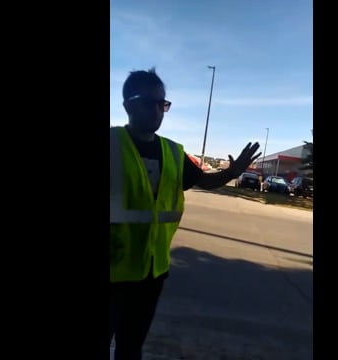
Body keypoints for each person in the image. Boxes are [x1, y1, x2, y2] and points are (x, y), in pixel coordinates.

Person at [109, 68, 261, 359]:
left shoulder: (173, 152)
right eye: (151, 102)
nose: (159, 111)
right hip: (111, 273)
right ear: (128, 104)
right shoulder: (111, 144)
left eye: (163, 104)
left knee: (131, 349)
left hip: (151, 275)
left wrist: (231, 172)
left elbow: (205, 181)